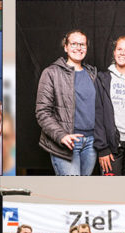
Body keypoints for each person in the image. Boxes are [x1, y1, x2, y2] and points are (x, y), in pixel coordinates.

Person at [35, 29, 97, 176]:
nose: (78, 48)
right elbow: (42, 112)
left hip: (91, 143)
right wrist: (61, 135)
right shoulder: (51, 73)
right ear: (66, 47)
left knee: (83, 192)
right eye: (74, 43)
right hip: (66, 143)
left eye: (82, 44)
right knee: (71, 191)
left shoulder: (92, 73)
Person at [95, 36, 125, 175]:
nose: (122, 53)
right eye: (119, 49)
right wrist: (102, 148)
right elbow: (97, 115)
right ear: (114, 52)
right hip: (112, 146)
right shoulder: (102, 79)